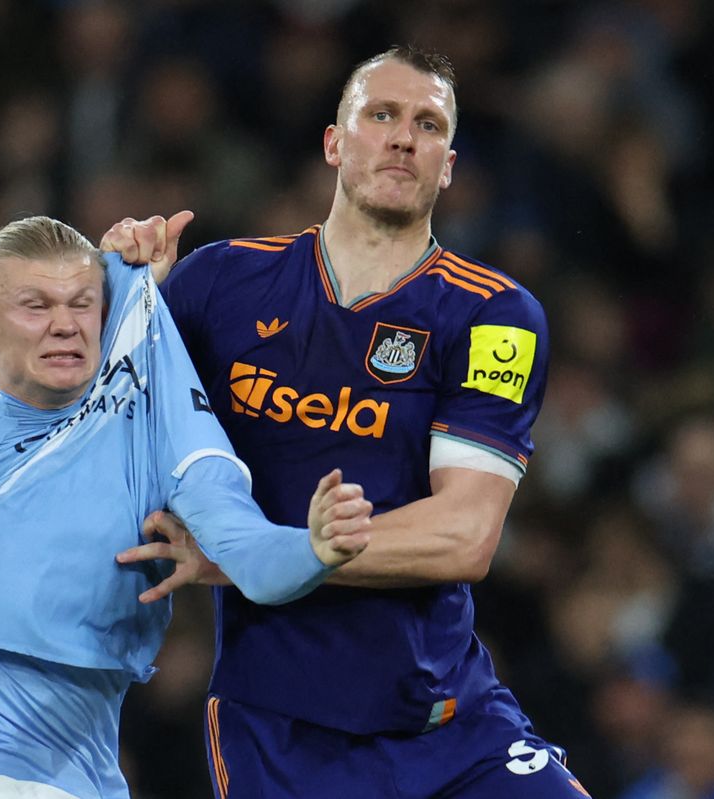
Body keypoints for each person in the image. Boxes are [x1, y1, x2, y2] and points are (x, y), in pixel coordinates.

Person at [106, 46, 591, 797]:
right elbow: (99, 429)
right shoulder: (218, 282)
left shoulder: (495, 314)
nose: (403, 137)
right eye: (382, 115)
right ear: (335, 142)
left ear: (449, 164)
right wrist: (117, 298)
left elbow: (466, 532)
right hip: (279, 736)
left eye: (428, 125)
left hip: (452, 728)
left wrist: (261, 553)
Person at [0, 215, 373, 799]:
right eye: (37, 306)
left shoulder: (151, 433)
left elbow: (250, 552)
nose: (65, 324)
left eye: (83, 303)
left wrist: (312, 546)